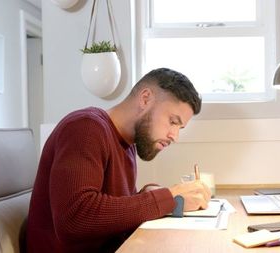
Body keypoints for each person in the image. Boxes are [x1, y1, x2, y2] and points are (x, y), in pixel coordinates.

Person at [26, 68, 211, 252]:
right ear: (145, 98)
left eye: (180, 128)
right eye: (172, 121)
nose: (174, 136)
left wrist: (148, 194)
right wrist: (168, 198)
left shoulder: (127, 144)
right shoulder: (86, 128)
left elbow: (112, 213)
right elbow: (76, 218)